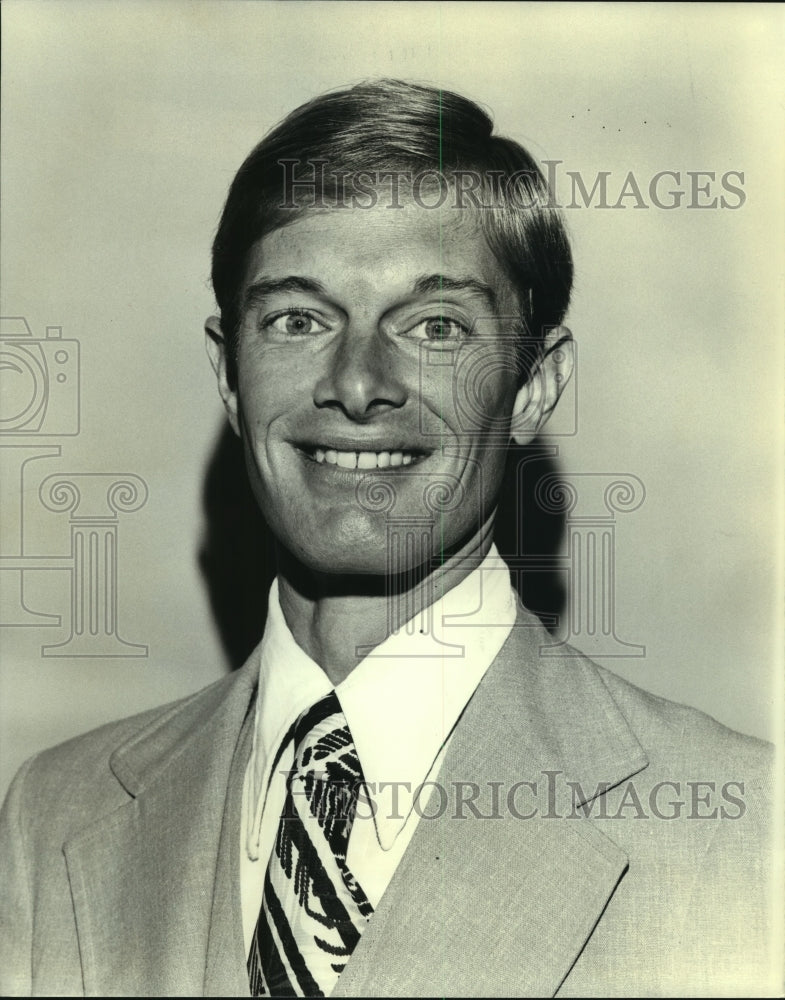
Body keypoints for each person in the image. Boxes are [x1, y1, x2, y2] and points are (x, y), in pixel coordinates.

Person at [0, 80, 775, 997]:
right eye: (299, 318)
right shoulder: (55, 816)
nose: (358, 383)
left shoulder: (741, 831)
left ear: (533, 384)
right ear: (228, 371)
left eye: (434, 325)